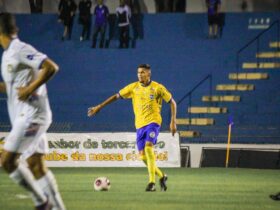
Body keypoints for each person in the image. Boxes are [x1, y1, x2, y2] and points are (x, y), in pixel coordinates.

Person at [0, 13, 66, 210]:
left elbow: (51, 67)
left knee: (7, 161)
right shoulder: (8, 54)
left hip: (32, 116)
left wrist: (29, 89)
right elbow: (15, 86)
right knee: (36, 165)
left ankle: (42, 203)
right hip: (26, 116)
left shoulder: (19, 48)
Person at [88, 64, 177, 192]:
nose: (139, 74)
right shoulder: (133, 87)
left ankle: (151, 183)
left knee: (148, 148)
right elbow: (116, 96)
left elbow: (172, 102)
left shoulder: (158, 88)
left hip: (153, 122)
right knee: (142, 156)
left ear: (148, 74)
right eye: (138, 72)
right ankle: (162, 176)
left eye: (142, 72)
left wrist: (173, 122)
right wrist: (99, 107)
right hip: (139, 125)